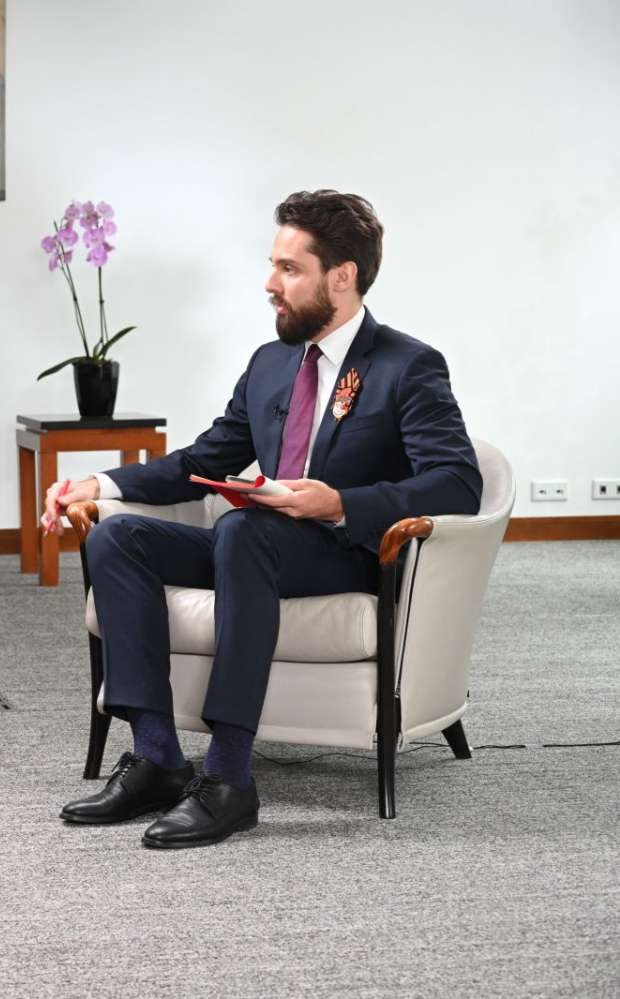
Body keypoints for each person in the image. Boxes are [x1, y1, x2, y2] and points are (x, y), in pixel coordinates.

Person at [46, 191, 481, 848]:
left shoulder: (407, 365)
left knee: (241, 530)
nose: (270, 283)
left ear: (342, 276)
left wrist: (339, 502)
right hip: (255, 547)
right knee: (118, 536)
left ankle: (228, 779)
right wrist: (100, 483)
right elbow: (204, 459)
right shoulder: (270, 362)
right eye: (273, 265)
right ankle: (158, 758)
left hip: (346, 555)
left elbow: (459, 482)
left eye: (289, 268)